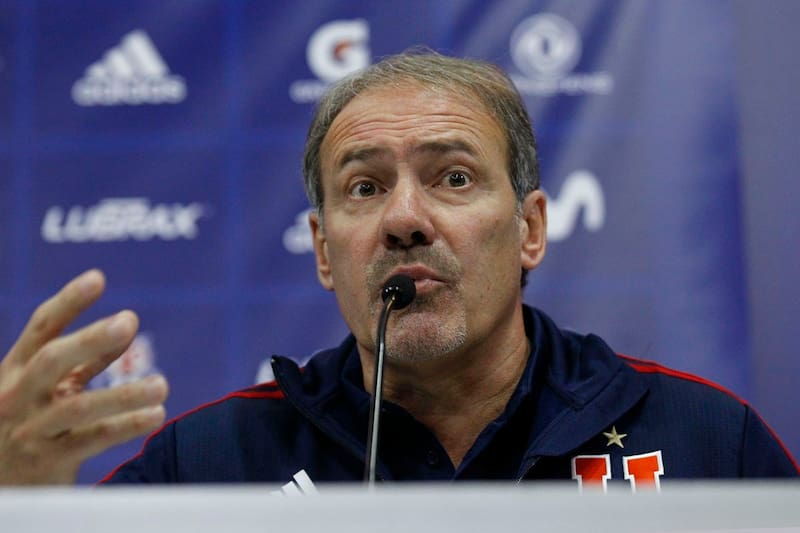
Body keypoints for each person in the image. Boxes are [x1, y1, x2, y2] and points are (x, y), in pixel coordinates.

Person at [1, 52, 796, 487]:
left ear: (529, 227)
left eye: (453, 177)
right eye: (365, 186)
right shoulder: (209, 467)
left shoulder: (706, 442)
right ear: (321, 249)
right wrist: (18, 495)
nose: (405, 218)